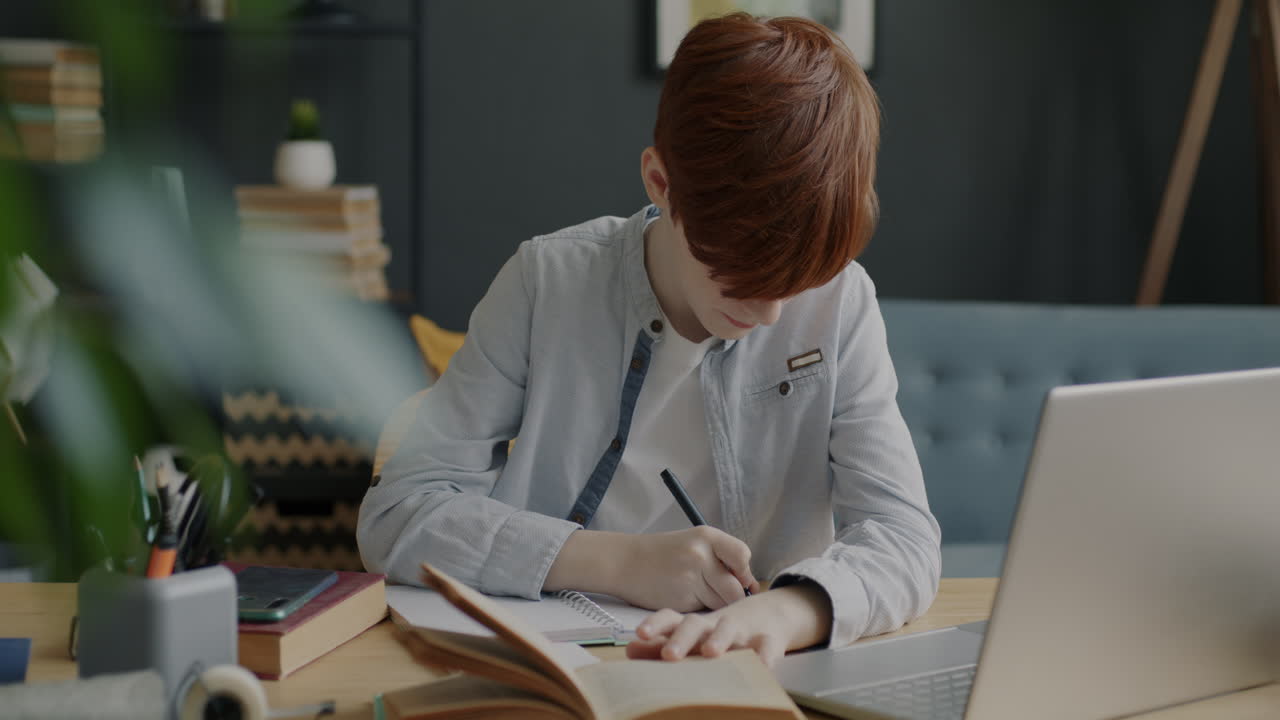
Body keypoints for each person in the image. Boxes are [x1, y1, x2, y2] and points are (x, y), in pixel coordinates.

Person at [358, 12, 940, 666]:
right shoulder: (545, 283)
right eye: (741, 277)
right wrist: (621, 562)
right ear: (661, 184)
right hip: (564, 675)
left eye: (798, 282)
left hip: (762, 677)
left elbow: (903, 537)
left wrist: (788, 609)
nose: (774, 314)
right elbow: (399, 516)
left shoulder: (840, 301)